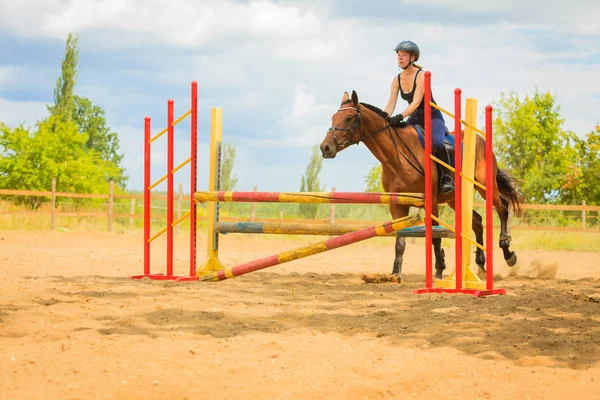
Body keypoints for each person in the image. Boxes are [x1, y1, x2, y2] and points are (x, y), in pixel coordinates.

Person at [383, 40, 454, 194]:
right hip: (414, 118)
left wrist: (400, 116)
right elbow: (391, 103)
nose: (400, 58)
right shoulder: (397, 79)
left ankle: (446, 178)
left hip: (431, 116)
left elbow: (416, 102)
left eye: (404, 55)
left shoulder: (421, 76)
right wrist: (384, 118)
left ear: (413, 58)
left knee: (436, 143)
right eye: (399, 55)